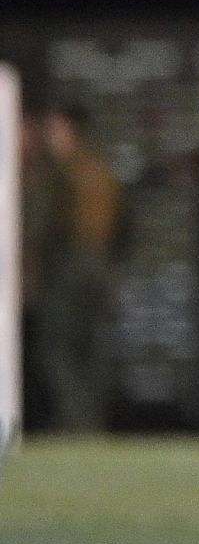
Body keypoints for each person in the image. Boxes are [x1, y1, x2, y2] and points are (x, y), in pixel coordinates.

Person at [30, 105, 122, 430]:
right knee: (92, 348)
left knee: (60, 347)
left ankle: (77, 421)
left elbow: (47, 224)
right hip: (101, 264)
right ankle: (90, 421)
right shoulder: (103, 168)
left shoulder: (60, 173)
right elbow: (125, 223)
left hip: (72, 265)